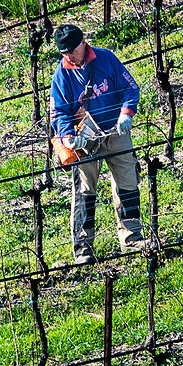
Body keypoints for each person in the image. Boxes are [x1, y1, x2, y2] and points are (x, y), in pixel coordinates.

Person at [48, 23, 146, 262]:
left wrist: (126, 113)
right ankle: (83, 248)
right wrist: (68, 136)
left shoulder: (106, 59)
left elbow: (130, 89)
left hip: (116, 132)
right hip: (84, 140)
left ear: (84, 42)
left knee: (127, 183)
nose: (70, 56)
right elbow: (58, 112)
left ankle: (132, 238)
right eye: (64, 53)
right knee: (83, 191)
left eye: (72, 50)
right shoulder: (61, 75)